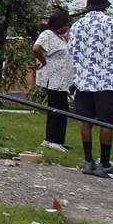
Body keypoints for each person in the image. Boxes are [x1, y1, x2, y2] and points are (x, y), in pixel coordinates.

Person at [68, 0, 113, 180]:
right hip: (106, 80)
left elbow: (72, 51)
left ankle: (88, 162)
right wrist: (110, 65)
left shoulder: (77, 26)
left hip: (83, 80)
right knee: (106, 123)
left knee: (86, 121)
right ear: (104, 5)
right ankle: (104, 163)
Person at [32, 9, 72, 151]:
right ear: (60, 25)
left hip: (62, 80)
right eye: (66, 25)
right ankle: (53, 140)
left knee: (61, 108)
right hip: (54, 78)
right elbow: (36, 48)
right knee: (58, 108)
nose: (68, 28)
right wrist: (43, 61)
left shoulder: (59, 37)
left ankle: (55, 139)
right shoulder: (47, 34)